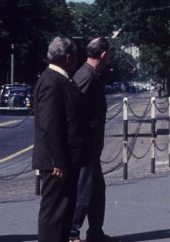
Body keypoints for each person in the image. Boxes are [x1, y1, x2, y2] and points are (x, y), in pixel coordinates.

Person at [33, 37, 90, 242]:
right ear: (68, 57)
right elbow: (51, 125)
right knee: (54, 215)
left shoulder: (59, 79)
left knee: (64, 212)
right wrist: (59, 160)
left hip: (63, 160)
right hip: (57, 163)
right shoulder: (52, 81)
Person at [69, 37, 114, 242]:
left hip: (92, 146)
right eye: (108, 55)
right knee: (84, 190)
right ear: (103, 55)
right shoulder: (86, 76)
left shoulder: (89, 74)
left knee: (96, 190)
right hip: (86, 145)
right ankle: (72, 233)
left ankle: (96, 232)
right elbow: (73, 109)